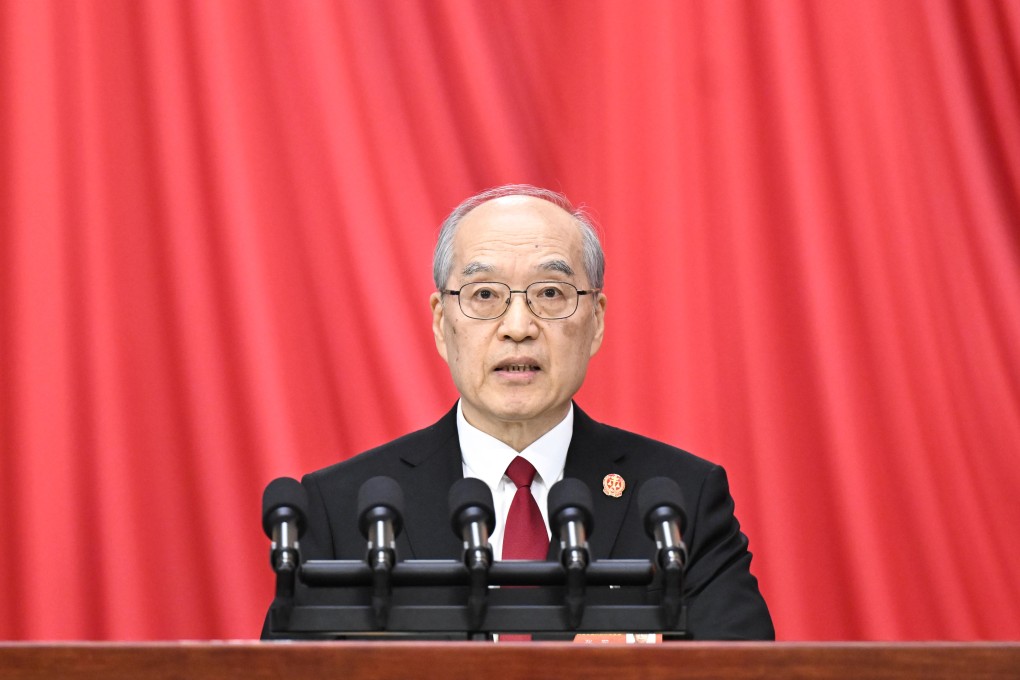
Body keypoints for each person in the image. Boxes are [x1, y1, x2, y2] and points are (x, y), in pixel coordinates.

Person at [272, 184, 773, 640]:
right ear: (441, 323)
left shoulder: (680, 503)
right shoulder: (344, 509)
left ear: (595, 321)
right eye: (484, 294)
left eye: (550, 294)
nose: (517, 326)